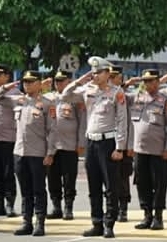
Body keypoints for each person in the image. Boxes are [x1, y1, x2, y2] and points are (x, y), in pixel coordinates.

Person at [59, 57, 128, 239]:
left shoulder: (116, 92)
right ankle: (96, 222)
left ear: (107, 73)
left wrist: (120, 147)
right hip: (91, 142)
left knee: (110, 186)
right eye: (93, 72)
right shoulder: (87, 89)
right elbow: (65, 95)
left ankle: (109, 224)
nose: (95, 75)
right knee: (94, 185)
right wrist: (79, 81)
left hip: (108, 142)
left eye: (98, 72)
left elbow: (122, 121)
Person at [0, 70, 56, 236]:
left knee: (38, 190)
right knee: (25, 190)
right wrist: (7, 86)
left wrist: (50, 153)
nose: (27, 84)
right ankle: (26, 222)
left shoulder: (47, 103)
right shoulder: (19, 100)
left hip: (38, 153)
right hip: (20, 152)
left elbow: (52, 130)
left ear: (39, 83)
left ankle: (40, 223)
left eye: (31, 81)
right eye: (25, 81)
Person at [129, 68, 167, 231]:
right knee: (142, 183)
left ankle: (158, 216)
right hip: (140, 149)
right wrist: (128, 83)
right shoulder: (137, 97)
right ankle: (147, 215)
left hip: (158, 150)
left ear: (157, 82)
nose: (147, 84)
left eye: (150, 81)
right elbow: (118, 95)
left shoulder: (165, 100)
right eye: (145, 81)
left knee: (160, 184)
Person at [46, 69, 86, 221]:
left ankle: (68, 207)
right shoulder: (49, 98)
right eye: (56, 81)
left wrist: (81, 142)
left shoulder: (75, 99)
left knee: (69, 178)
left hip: (69, 145)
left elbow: (82, 121)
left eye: (62, 81)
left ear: (69, 82)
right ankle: (56, 206)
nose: (59, 83)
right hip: (52, 146)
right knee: (52, 178)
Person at [0, 63, 20, 218]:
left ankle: (9, 205)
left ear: (7, 76)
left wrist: (4, 88)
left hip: (8, 139)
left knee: (8, 173)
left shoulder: (14, 93)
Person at [110, 65, 135, 222]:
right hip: (107, 143)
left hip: (124, 143)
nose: (113, 80)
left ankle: (123, 208)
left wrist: (130, 145)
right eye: (111, 77)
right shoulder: (102, 95)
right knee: (110, 177)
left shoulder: (125, 97)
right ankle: (111, 208)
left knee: (123, 177)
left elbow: (130, 123)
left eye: (116, 77)